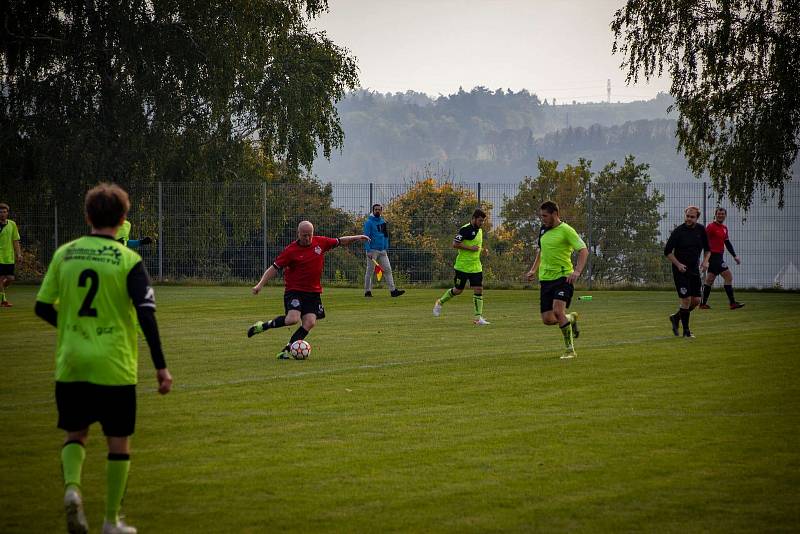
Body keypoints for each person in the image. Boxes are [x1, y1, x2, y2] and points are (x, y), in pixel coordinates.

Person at [34, 183, 173, 534]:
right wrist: (161, 367)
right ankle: (111, 521)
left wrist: (67, 327)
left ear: (87, 216)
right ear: (123, 219)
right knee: (118, 443)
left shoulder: (65, 253)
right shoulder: (128, 260)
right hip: (115, 363)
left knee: (75, 434)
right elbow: (146, 315)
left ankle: (72, 490)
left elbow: (40, 305)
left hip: (73, 361)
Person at [247, 221, 370, 359]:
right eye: (304, 235)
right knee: (292, 319)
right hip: (295, 290)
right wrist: (260, 285)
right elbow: (274, 268)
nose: (307, 238)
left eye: (309, 235)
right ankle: (263, 326)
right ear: (298, 234)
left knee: (310, 322)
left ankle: (286, 350)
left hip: (313, 292)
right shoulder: (291, 250)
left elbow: (341, 241)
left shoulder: (320, 242)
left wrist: (358, 237)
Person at [525, 201, 588, 359]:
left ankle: (570, 350)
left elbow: (583, 250)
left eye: (545, 216)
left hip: (563, 278)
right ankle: (570, 318)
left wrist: (577, 271)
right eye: (541, 216)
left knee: (558, 311)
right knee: (547, 319)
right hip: (546, 279)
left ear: (555, 214)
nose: (543, 219)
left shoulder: (566, 230)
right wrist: (534, 269)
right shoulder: (543, 230)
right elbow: (541, 250)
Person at [433, 208, 490, 325]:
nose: (481, 223)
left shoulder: (479, 231)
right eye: (480, 221)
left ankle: (478, 318)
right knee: (458, 290)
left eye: (483, 221)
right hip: (462, 266)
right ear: (473, 219)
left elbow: (476, 246)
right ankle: (440, 302)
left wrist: (483, 250)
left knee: (479, 289)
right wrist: (471, 248)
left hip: (475, 266)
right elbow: (455, 244)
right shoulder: (465, 229)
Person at [664, 205, 710, 338]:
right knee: (686, 299)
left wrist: (705, 261)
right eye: (687, 216)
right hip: (680, 270)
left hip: (694, 270)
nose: (689, 219)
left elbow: (708, 250)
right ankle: (686, 332)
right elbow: (667, 252)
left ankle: (676, 317)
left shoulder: (701, 230)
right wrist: (678, 264)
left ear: (697, 218)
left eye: (692, 217)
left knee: (696, 301)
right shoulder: (678, 231)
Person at [700, 207, 744, 309]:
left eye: (722, 214)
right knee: (728, 277)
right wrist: (705, 258)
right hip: (714, 257)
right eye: (719, 214)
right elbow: (703, 240)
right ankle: (732, 303)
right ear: (715, 215)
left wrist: (735, 256)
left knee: (709, 280)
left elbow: (727, 243)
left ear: (725, 215)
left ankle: (702, 304)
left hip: (719, 256)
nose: (720, 215)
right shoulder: (710, 227)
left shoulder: (724, 228)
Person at [363, 203, 405, 298]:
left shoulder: (383, 222)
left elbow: (385, 236)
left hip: (382, 251)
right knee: (370, 271)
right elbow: (366, 237)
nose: (377, 211)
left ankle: (393, 291)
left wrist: (385, 247)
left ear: (381, 211)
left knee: (388, 270)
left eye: (379, 209)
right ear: (373, 211)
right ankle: (367, 291)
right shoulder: (368, 222)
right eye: (376, 209)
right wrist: (368, 250)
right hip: (372, 250)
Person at [0, 202, 22, 307]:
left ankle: (1, 290)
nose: (2, 214)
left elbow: (15, 240)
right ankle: (3, 300)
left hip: (8, 257)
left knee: (10, 279)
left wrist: (19, 254)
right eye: (0, 212)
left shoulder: (12, 224)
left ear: (7, 213)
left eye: (4, 212)